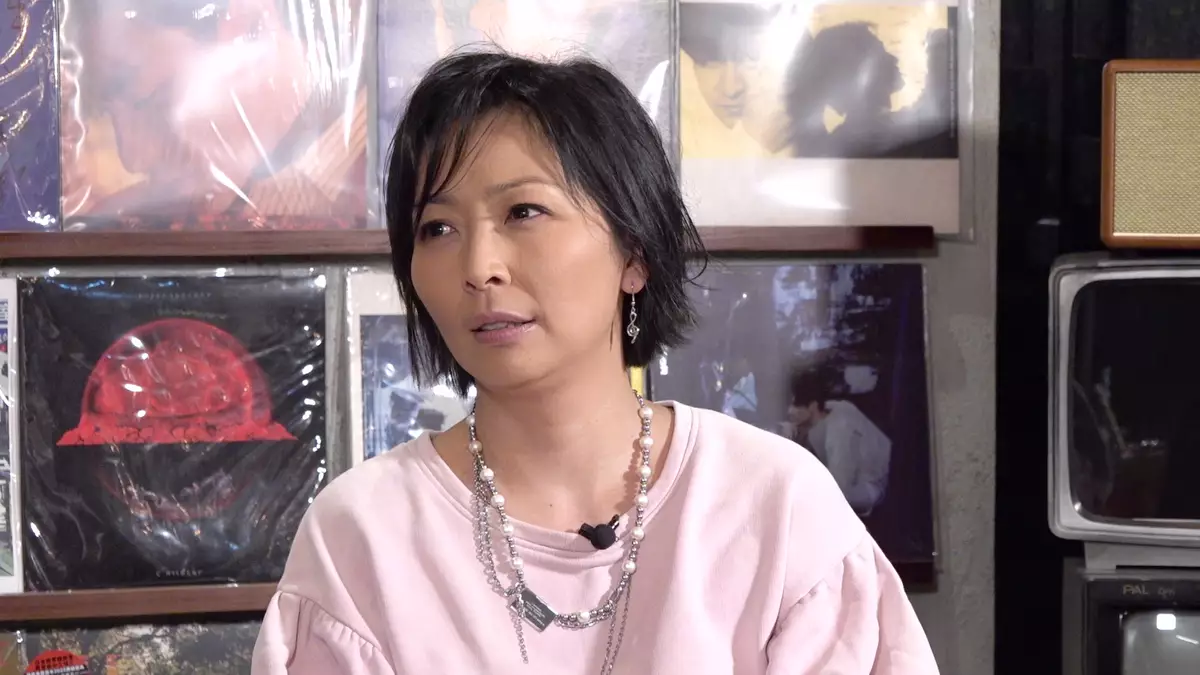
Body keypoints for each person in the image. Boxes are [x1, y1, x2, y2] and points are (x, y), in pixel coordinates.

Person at [251, 50, 938, 673]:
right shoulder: (360, 536)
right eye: (438, 228)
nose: (479, 266)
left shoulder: (774, 503)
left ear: (634, 251)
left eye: (523, 212)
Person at [788, 367, 893, 517]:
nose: (790, 411)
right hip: (856, 477)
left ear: (812, 406)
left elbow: (839, 487)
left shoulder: (839, 431)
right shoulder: (828, 410)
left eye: (796, 405)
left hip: (876, 484)